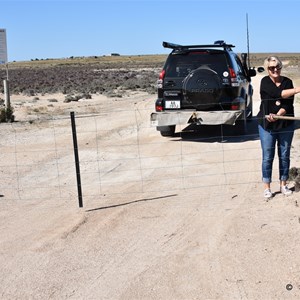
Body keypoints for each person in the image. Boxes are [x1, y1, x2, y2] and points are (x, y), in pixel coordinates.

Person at [257, 56, 300, 198]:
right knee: (267, 157)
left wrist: (278, 114)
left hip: (285, 125)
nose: (275, 70)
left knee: (284, 156)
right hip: (267, 126)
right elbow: (278, 94)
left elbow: (287, 104)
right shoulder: (265, 82)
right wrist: (298, 89)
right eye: (271, 68)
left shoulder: (287, 82)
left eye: (277, 67)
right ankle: (267, 187)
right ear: (267, 69)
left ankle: (283, 184)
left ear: (281, 67)